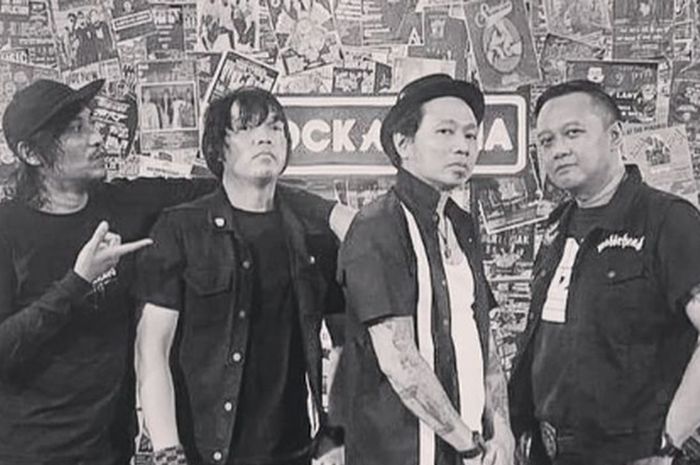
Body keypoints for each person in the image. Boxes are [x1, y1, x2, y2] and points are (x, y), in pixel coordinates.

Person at [0, 79, 349, 465]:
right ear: (31, 153)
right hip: (26, 449)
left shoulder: (125, 204)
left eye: (92, 123)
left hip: (108, 448)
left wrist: (331, 212)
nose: (98, 137)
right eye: (76, 129)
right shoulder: (7, 229)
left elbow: (238, 183)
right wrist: (77, 281)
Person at [134, 87, 347, 465]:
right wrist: (168, 452)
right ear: (219, 148)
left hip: (292, 450)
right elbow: (151, 348)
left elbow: (345, 342)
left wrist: (335, 430)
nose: (265, 137)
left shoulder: (313, 237)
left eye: (275, 127)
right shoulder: (181, 229)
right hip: (203, 452)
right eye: (247, 128)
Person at [509, 80, 700, 465]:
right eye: (546, 141)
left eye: (573, 133)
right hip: (549, 451)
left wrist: (668, 443)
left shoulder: (667, 220)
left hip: (636, 454)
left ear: (615, 136)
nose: (559, 149)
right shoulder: (556, 228)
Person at [336, 74, 515, 465]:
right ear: (403, 144)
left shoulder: (462, 225)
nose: (462, 146)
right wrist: (467, 444)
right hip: (405, 454)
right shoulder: (379, 225)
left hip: (470, 448)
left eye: (470, 135)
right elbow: (399, 360)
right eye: (445, 131)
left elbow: (482, 337)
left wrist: (501, 428)